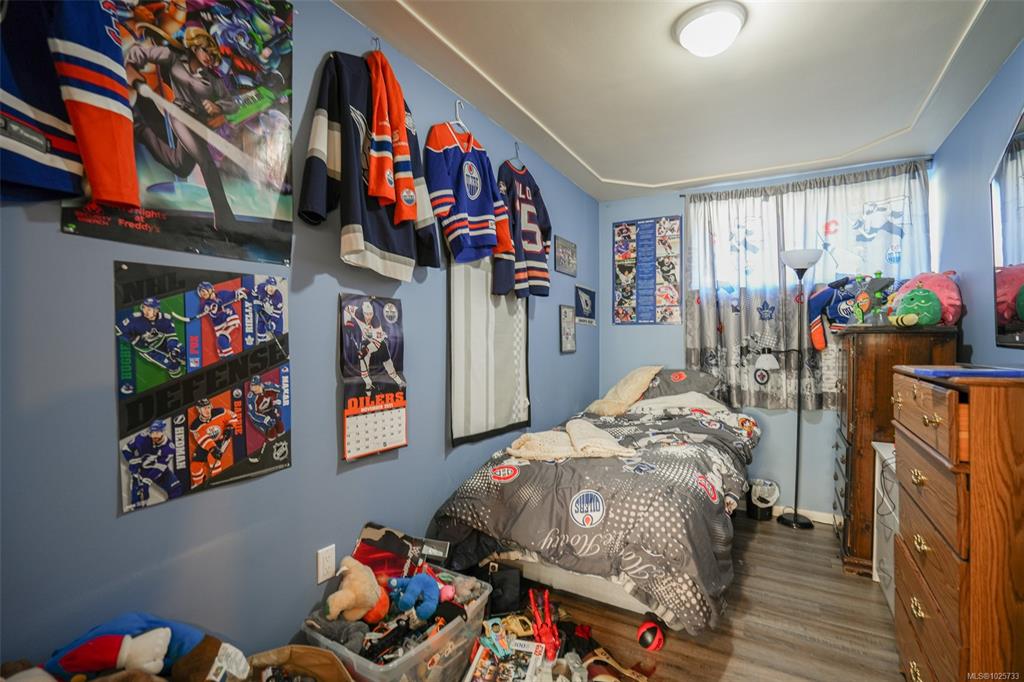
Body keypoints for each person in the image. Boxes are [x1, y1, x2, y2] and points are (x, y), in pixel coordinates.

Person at [125, 26, 244, 232]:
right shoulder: (173, 59)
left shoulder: (212, 80)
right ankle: (225, 220)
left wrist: (218, 107)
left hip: (199, 123)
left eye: (212, 54)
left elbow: (232, 104)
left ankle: (140, 130)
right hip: (180, 116)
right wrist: (135, 64)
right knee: (207, 163)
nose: (209, 57)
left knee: (181, 166)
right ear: (194, 47)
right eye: (205, 51)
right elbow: (139, 53)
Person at [343, 301, 404, 395]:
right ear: (362, 312)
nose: (369, 316)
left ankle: (398, 381)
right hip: (366, 340)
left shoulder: (376, 322)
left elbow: (377, 343)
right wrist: (348, 322)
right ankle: (368, 383)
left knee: (388, 363)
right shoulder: (357, 312)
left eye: (370, 314)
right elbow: (347, 309)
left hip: (378, 341)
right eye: (366, 314)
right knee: (363, 360)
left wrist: (366, 350)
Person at [121, 419, 183, 509]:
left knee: (176, 490)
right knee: (139, 501)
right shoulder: (142, 438)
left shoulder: (169, 448)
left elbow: (159, 468)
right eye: (152, 433)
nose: (154, 436)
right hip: (141, 471)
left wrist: (147, 480)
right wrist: (132, 460)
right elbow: (126, 449)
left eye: (157, 433)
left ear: (163, 432)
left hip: (159, 472)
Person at [116, 297, 184, 377]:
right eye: (144, 307)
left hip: (163, 342)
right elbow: (118, 330)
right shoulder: (134, 319)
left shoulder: (165, 319)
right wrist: (132, 339)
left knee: (183, 352)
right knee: (172, 365)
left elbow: (171, 336)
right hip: (148, 350)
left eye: (149, 309)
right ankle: (179, 378)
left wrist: (173, 348)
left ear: (156, 310)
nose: (145, 311)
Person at [189, 397, 240, 487]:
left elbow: (233, 416)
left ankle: (218, 481)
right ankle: (198, 485)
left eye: (208, 407)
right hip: (206, 444)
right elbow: (203, 440)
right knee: (195, 466)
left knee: (212, 458)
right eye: (204, 408)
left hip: (221, 439)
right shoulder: (195, 426)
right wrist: (213, 448)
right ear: (199, 410)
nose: (207, 410)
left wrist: (230, 427)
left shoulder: (220, 412)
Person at [196, 281, 243, 358]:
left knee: (222, 340)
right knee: (220, 347)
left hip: (232, 325)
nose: (202, 294)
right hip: (221, 331)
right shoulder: (205, 305)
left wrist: (242, 292)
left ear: (210, 289)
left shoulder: (223, 294)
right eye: (200, 293)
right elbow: (211, 311)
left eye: (203, 291)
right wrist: (214, 308)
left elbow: (235, 293)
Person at [247, 375, 285, 462]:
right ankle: (271, 452)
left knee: (279, 425)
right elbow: (253, 414)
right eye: (251, 385)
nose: (252, 388)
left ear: (260, 384)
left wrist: (279, 400)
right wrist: (265, 420)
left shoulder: (268, 386)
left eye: (255, 385)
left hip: (270, 410)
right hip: (258, 418)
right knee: (271, 431)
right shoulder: (251, 397)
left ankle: (283, 443)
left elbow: (281, 389)